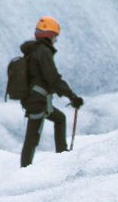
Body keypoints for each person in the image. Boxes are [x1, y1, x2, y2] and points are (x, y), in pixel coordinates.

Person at [18, 16, 83, 168]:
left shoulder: (34, 51)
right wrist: (72, 97)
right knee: (32, 137)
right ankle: (25, 170)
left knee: (58, 119)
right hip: (37, 100)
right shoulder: (43, 52)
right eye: (55, 36)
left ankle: (61, 155)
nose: (56, 40)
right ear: (48, 35)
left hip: (34, 98)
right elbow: (53, 78)